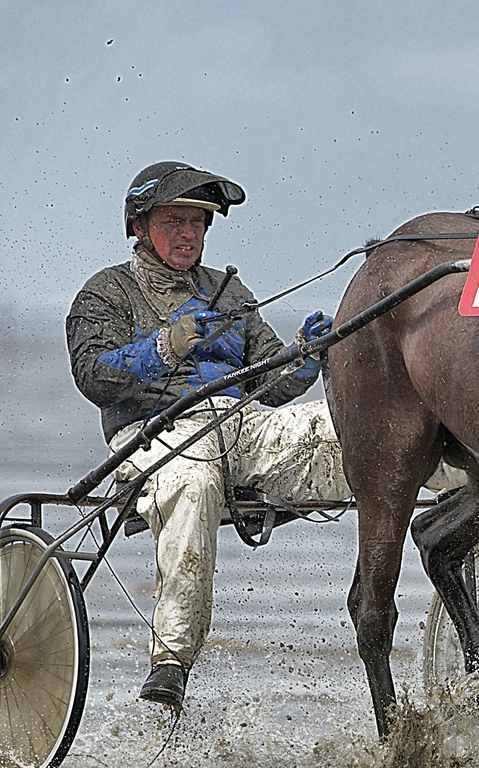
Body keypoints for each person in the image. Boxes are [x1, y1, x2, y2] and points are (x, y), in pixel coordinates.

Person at [66, 162, 350, 712]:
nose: (188, 233)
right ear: (140, 226)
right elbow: (93, 376)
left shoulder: (228, 291)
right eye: (174, 221)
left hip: (241, 426)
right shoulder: (105, 293)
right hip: (153, 433)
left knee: (349, 431)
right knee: (194, 484)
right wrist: (164, 347)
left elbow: (269, 379)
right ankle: (171, 660)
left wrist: (305, 356)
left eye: (197, 222)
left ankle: (465, 486)